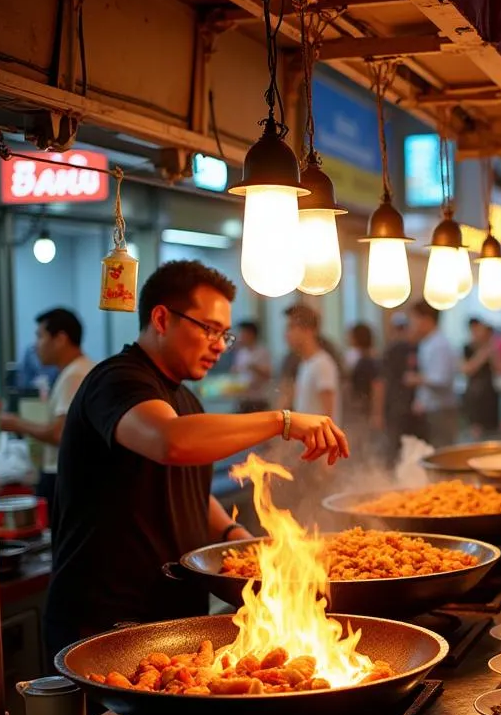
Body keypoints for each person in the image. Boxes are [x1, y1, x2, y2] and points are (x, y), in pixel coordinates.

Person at [44, 260, 348, 659]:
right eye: (209, 329)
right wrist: (283, 421)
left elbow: (187, 489)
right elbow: (170, 442)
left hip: (172, 623)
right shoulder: (117, 380)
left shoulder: (185, 399)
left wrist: (236, 540)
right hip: (105, 624)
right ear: (161, 318)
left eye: (225, 334)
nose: (219, 345)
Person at [0, 309, 94, 513]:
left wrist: (15, 423)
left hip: (65, 475)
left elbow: (59, 433)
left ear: (60, 338)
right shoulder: (77, 371)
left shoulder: (75, 375)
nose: (36, 345)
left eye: (40, 336)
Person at [406, 300, 459, 448]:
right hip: (432, 409)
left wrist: (416, 379)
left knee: (442, 452)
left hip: (441, 410)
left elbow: (441, 379)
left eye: (415, 319)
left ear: (427, 320)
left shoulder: (440, 344)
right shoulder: (427, 342)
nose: (413, 324)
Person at [283, 304, 341, 422]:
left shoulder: (322, 364)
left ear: (308, 331)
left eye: (292, 327)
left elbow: (329, 415)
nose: (287, 334)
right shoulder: (306, 363)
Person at [382, 312, 418, 461]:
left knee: (396, 445)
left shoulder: (392, 349)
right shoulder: (412, 348)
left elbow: (381, 381)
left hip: (397, 405)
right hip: (408, 404)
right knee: (408, 445)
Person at [343, 322, 385, 448]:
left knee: (365, 443)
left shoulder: (369, 360)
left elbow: (378, 386)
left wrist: (377, 413)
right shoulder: (360, 358)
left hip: (366, 408)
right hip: (359, 407)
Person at [462, 318, 500, 439]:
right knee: (475, 431)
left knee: (492, 430)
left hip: (489, 391)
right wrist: (482, 354)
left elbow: (499, 369)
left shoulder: (491, 347)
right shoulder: (467, 348)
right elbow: (467, 369)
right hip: (474, 393)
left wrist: (493, 353)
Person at [230, 320, 272, 413]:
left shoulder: (262, 352)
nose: (241, 337)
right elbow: (236, 371)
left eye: (243, 333)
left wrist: (254, 367)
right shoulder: (241, 352)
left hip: (258, 399)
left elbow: (268, 375)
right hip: (242, 398)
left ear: (251, 334)